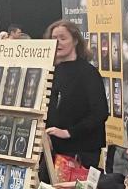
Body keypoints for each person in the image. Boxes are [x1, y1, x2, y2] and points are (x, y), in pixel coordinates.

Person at [43, 19, 109, 169]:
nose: (58, 43)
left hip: (81, 151)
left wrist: (69, 132)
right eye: (54, 38)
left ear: (75, 41)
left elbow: (100, 113)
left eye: (63, 38)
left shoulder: (88, 73)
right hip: (52, 149)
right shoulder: (49, 71)